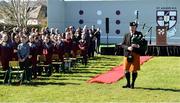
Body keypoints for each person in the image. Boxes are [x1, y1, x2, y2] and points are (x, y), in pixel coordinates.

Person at [121, 22, 143, 89]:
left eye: (133, 27)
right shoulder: (126, 35)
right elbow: (122, 44)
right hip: (127, 54)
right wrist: (128, 48)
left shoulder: (139, 34)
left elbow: (143, 44)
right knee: (126, 69)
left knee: (134, 70)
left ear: (135, 27)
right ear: (129, 27)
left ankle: (132, 84)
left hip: (135, 54)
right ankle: (128, 83)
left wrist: (137, 45)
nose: (132, 28)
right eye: (131, 27)